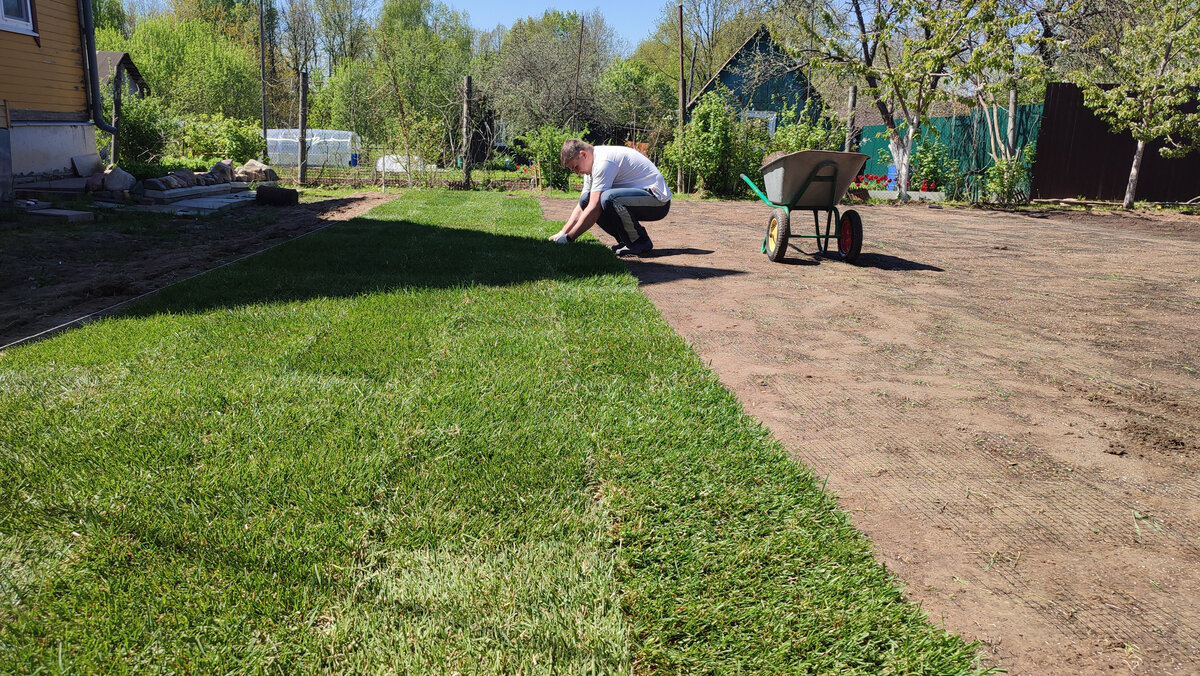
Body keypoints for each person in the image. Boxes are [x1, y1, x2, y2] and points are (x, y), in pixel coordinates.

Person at [548, 139, 671, 256]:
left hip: (658, 200)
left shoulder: (603, 162)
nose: (577, 173)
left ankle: (639, 241)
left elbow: (594, 207)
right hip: (639, 197)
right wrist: (562, 233)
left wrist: (569, 238)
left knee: (609, 198)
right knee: (586, 199)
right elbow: (582, 206)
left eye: (575, 167)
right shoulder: (590, 168)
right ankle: (626, 241)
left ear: (583, 154)